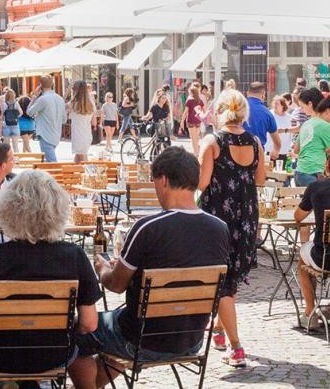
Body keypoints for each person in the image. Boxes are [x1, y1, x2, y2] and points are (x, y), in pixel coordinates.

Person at [69, 147, 230, 387]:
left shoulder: (148, 227)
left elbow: (116, 285)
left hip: (141, 340)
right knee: (119, 324)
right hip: (192, 339)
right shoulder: (220, 228)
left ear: (163, 180)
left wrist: (102, 268)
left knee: (78, 327)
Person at [0, 170, 100, 388]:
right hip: (55, 353)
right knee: (83, 340)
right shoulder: (74, 255)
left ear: (9, 210)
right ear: (58, 210)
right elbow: (89, 323)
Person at [198, 89, 266, 367]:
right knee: (231, 277)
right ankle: (218, 327)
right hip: (247, 216)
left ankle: (236, 348)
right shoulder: (255, 141)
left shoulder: (212, 141)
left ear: (219, 111)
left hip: (217, 219)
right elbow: (260, 179)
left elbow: (201, 184)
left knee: (223, 282)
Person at [295, 147, 330, 328]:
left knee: (302, 259)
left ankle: (310, 312)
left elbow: (298, 217)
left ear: (327, 166)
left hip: (323, 257)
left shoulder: (316, 187)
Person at [294, 91, 330, 186]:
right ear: (327, 110)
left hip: (299, 172)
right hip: (313, 172)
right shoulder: (326, 126)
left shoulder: (306, 123)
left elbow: (296, 149)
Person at [27, 75, 66, 162]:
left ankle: (56, 176)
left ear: (40, 85)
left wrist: (34, 97)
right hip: (56, 134)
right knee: (49, 161)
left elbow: (29, 112)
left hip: (45, 134)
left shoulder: (43, 99)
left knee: (51, 162)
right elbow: (64, 119)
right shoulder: (60, 99)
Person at [242, 81, 281, 161]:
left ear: (247, 93)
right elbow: (277, 141)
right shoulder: (267, 113)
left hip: (235, 152)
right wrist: (276, 150)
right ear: (263, 94)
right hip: (257, 155)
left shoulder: (238, 107)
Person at [67, 80, 95, 163]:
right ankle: (74, 176)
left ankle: (89, 174)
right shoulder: (91, 103)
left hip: (77, 135)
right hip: (87, 134)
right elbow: (93, 122)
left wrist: (67, 91)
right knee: (79, 158)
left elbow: (61, 105)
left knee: (82, 159)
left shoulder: (73, 103)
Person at [266, 95, 293, 165]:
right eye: (274, 103)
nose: (275, 105)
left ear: (283, 106)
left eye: (277, 104)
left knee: (282, 173)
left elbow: (292, 133)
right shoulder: (269, 115)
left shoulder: (289, 118)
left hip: (284, 151)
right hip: (270, 150)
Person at [179, 83, 205, 155]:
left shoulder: (189, 100)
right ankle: (198, 152)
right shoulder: (200, 101)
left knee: (193, 139)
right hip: (198, 121)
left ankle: (196, 154)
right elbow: (204, 111)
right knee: (196, 138)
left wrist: (182, 121)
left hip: (190, 121)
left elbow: (185, 112)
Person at [1, 89, 23, 153]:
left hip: (6, 125)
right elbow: (21, 113)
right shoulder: (16, 103)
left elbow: (2, 115)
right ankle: (17, 160)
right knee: (15, 146)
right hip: (15, 125)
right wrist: (16, 117)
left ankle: (7, 160)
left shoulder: (4, 104)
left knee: (7, 147)